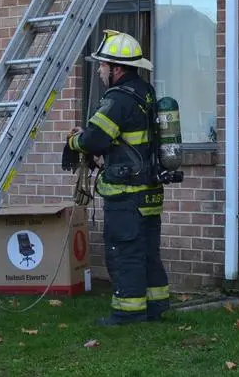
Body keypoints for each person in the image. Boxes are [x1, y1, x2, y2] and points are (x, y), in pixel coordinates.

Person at [63, 30, 170, 325]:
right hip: (150, 190)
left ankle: (128, 312)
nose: (99, 71)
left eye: (103, 66)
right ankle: (156, 307)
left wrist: (74, 142)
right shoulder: (145, 91)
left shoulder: (118, 99)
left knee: (124, 252)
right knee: (148, 250)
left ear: (117, 68)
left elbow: (95, 140)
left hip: (126, 193)